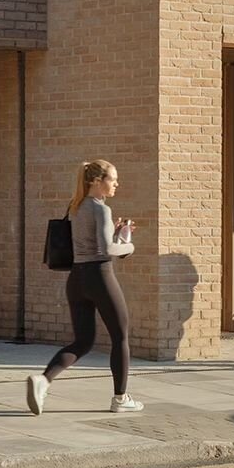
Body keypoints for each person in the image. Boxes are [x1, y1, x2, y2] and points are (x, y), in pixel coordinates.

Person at [27, 159, 144, 416]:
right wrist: (129, 245)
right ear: (97, 181)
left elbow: (91, 242)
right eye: (112, 179)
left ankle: (43, 381)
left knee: (83, 341)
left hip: (77, 279)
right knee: (121, 336)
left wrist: (117, 233)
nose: (116, 184)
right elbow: (107, 250)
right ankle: (120, 398)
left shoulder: (76, 206)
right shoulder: (101, 209)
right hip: (100, 277)